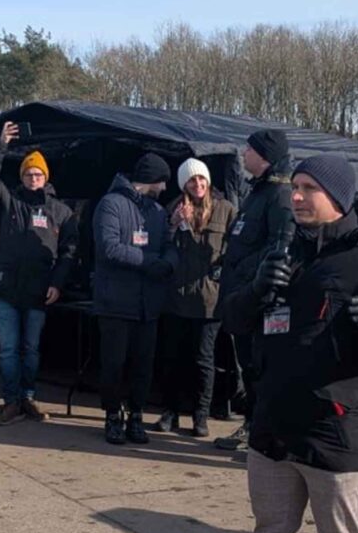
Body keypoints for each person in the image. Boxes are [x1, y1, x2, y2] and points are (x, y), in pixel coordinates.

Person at [223, 154, 358, 533]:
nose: (295, 196)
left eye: (308, 188)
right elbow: (232, 318)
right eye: (294, 186)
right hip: (274, 429)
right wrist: (257, 290)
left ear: (337, 196)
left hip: (337, 433)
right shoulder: (282, 250)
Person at [0, 123, 78, 425]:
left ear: (45, 177)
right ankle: (11, 401)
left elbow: (69, 251)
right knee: (8, 349)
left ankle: (28, 397)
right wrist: (1, 145)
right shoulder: (10, 203)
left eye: (38, 174)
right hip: (6, 289)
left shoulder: (61, 212)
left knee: (31, 349)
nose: (33, 179)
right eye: (28, 174)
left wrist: (57, 283)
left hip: (39, 291)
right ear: (21, 177)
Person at [215, 129, 293, 452]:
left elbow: (279, 247)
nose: (243, 154)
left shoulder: (280, 196)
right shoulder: (256, 193)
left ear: (264, 155)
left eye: (248, 149)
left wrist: (243, 270)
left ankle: (264, 435)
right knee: (248, 368)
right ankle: (252, 426)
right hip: (241, 298)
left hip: (259, 300)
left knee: (261, 369)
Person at [93, 153, 178, 445]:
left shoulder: (157, 211)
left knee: (143, 366)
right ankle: (112, 416)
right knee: (114, 364)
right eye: (162, 182)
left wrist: (170, 263)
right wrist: (150, 262)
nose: (164, 188)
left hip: (147, 305)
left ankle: (136, 415)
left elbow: (168, 243)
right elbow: (109, 248)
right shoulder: (111, 204)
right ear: (151, 179)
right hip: (116, 302)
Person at [156, 158, 236, 438]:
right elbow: (162, 248)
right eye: (191, 180)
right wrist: (174, 226)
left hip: (209, 301)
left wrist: (222, 275)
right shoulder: (173, 210)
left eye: (201, 178)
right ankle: (170, 412)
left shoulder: (226, 210)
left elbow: (234, 251)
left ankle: (200, 416)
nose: (198, 184)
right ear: (184, 184)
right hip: (176, 298)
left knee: (203, 360)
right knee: (172, 358)